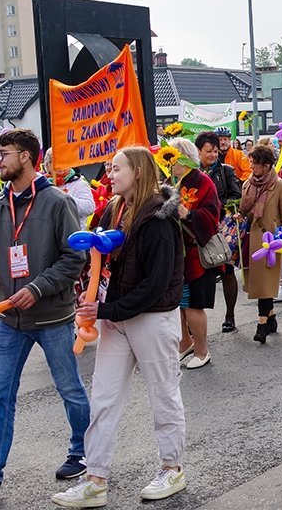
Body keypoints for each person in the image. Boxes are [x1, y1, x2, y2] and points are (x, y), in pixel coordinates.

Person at [0, 128, 90, 501]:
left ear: (26, 156)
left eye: (3, 153)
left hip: (51, 317)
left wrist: (37, 288)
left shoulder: (58, 202)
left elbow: (75, 258)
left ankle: (83, 451)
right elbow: (1, 259)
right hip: (10, 320)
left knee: (70, 389)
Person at [51, 146, 187, 507]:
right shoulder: (113, 209)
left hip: (152, 318)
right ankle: (96, 478)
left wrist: (106, 308)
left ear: (139, 171)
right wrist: (93, 293)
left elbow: (155, 284)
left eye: (116, 169)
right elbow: (98, 257)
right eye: (109, 169)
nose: (109, 174)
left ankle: (172, 469)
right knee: (104, 400)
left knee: (163, 395)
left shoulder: (159, 218)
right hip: (114, 317)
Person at [164, 137, 220, 370]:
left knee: (193, 305)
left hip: (196, 253)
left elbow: (213, 215)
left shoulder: (203, 181)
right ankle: (185, 343)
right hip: (178, 255)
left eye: (172, 160)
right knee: (178, 303)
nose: (169, 166)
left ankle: (202, 350)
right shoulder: (172, 182)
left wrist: (189, 214)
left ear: (184, 160)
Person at [239, 144, 282, 344]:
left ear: (267, 165)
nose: (252, 166)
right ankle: (271, 318)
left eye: (255, 163)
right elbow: (245, 209)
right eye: (251, 162)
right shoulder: (248, 183)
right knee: (258, 284)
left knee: (264, 284)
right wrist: (239, 215)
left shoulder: (279, 185)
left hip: (271, 241)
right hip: (252, 239)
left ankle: (262, 324)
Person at [195, 131, 242, 334]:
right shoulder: (190, 172)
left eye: (215, 151)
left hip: (221, 228)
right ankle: (192, 319)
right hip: (196, 227)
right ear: (198, 152)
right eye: (208, 151)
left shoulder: (226, 171)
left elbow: (236, 197)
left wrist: (213, 205)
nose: (213, 155)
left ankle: (230, 316)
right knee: (196, 274)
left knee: (227, 271)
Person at [44, 148, 96, 229]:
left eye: (64, 161)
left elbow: (89, 208)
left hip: (74, 236)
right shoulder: (43, 185)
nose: (60, 165)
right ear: (47, 166)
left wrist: (64, 198)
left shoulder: (79, 183)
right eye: (56, 161)